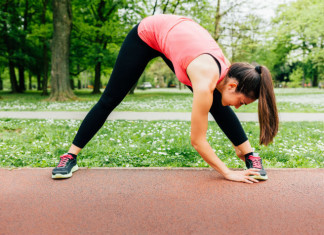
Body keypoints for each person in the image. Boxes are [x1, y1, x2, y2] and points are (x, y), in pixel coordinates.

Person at [52, 14, 279, 184]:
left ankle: (249, 154)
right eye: (242, 102)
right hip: (148, 34)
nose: (238, 107)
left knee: (218, 103)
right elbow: (197, 141)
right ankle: (70, 156)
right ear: (233, 85)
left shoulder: (231, 73)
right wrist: (228, 172)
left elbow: (223, 100)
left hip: (178, 36)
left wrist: (239, 150)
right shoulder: (204, 79)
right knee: (110, 99)